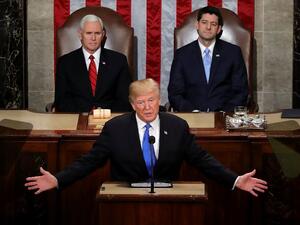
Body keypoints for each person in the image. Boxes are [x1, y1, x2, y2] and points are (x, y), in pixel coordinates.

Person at [25, 78, 267, 197]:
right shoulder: (116, 128)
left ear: (158, 99)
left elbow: (203, 160)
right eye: (141, 102)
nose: (148, 107)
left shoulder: (177, 126)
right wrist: (58, 180)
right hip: (125, 200)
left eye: (152, 100)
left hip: (168, 200)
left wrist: (235, 180)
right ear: (132, 105)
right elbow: (89, 161)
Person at [168, 6, 248, 112]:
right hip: (192, 117)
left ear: (219, 29)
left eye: (213, 24)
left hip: (223, 117)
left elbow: (241, 92)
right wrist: (192, 111)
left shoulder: (233, 53)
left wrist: (224, 112)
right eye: (204, 22)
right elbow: (175, 94)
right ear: (197, 25)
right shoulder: (182, 55)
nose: (208, 27)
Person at [54, 14, 132, 112]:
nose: (93, 38)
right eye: (89, 33)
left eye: (97, 33)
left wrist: (103, 114)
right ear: (80, 34)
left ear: (103, 35)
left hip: (110, 118)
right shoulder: (65, 63)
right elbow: (61, 101)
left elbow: (124, 100)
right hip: (77, 118)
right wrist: (85, 114)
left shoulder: (119, 61)